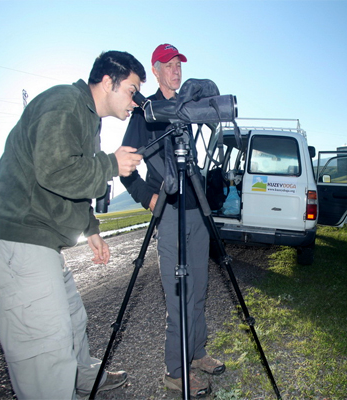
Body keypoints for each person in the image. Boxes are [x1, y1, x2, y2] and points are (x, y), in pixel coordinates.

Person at [0, 51, 146, 400]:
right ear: (108, 82)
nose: (137, 102)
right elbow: (55, 170)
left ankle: (83, 379)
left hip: (39, 241)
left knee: (71, 319)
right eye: (132, 90)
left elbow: (71, 182)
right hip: (16, 238)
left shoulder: (87, 119)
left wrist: (90, 227)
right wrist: (111, 163)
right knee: (44, 348)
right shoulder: (65, 103)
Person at [120, 43, 225, 398]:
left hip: (196, 210)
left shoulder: (188, 110)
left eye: (179, 63)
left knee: (199, 287)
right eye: (168, 64)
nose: (176, 69)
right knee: (179, 291)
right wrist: (148, 199)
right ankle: (174, 371)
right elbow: (127, 169)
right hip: (170, 214)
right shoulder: (145, 113)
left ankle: (196, 353)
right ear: (155, 70)